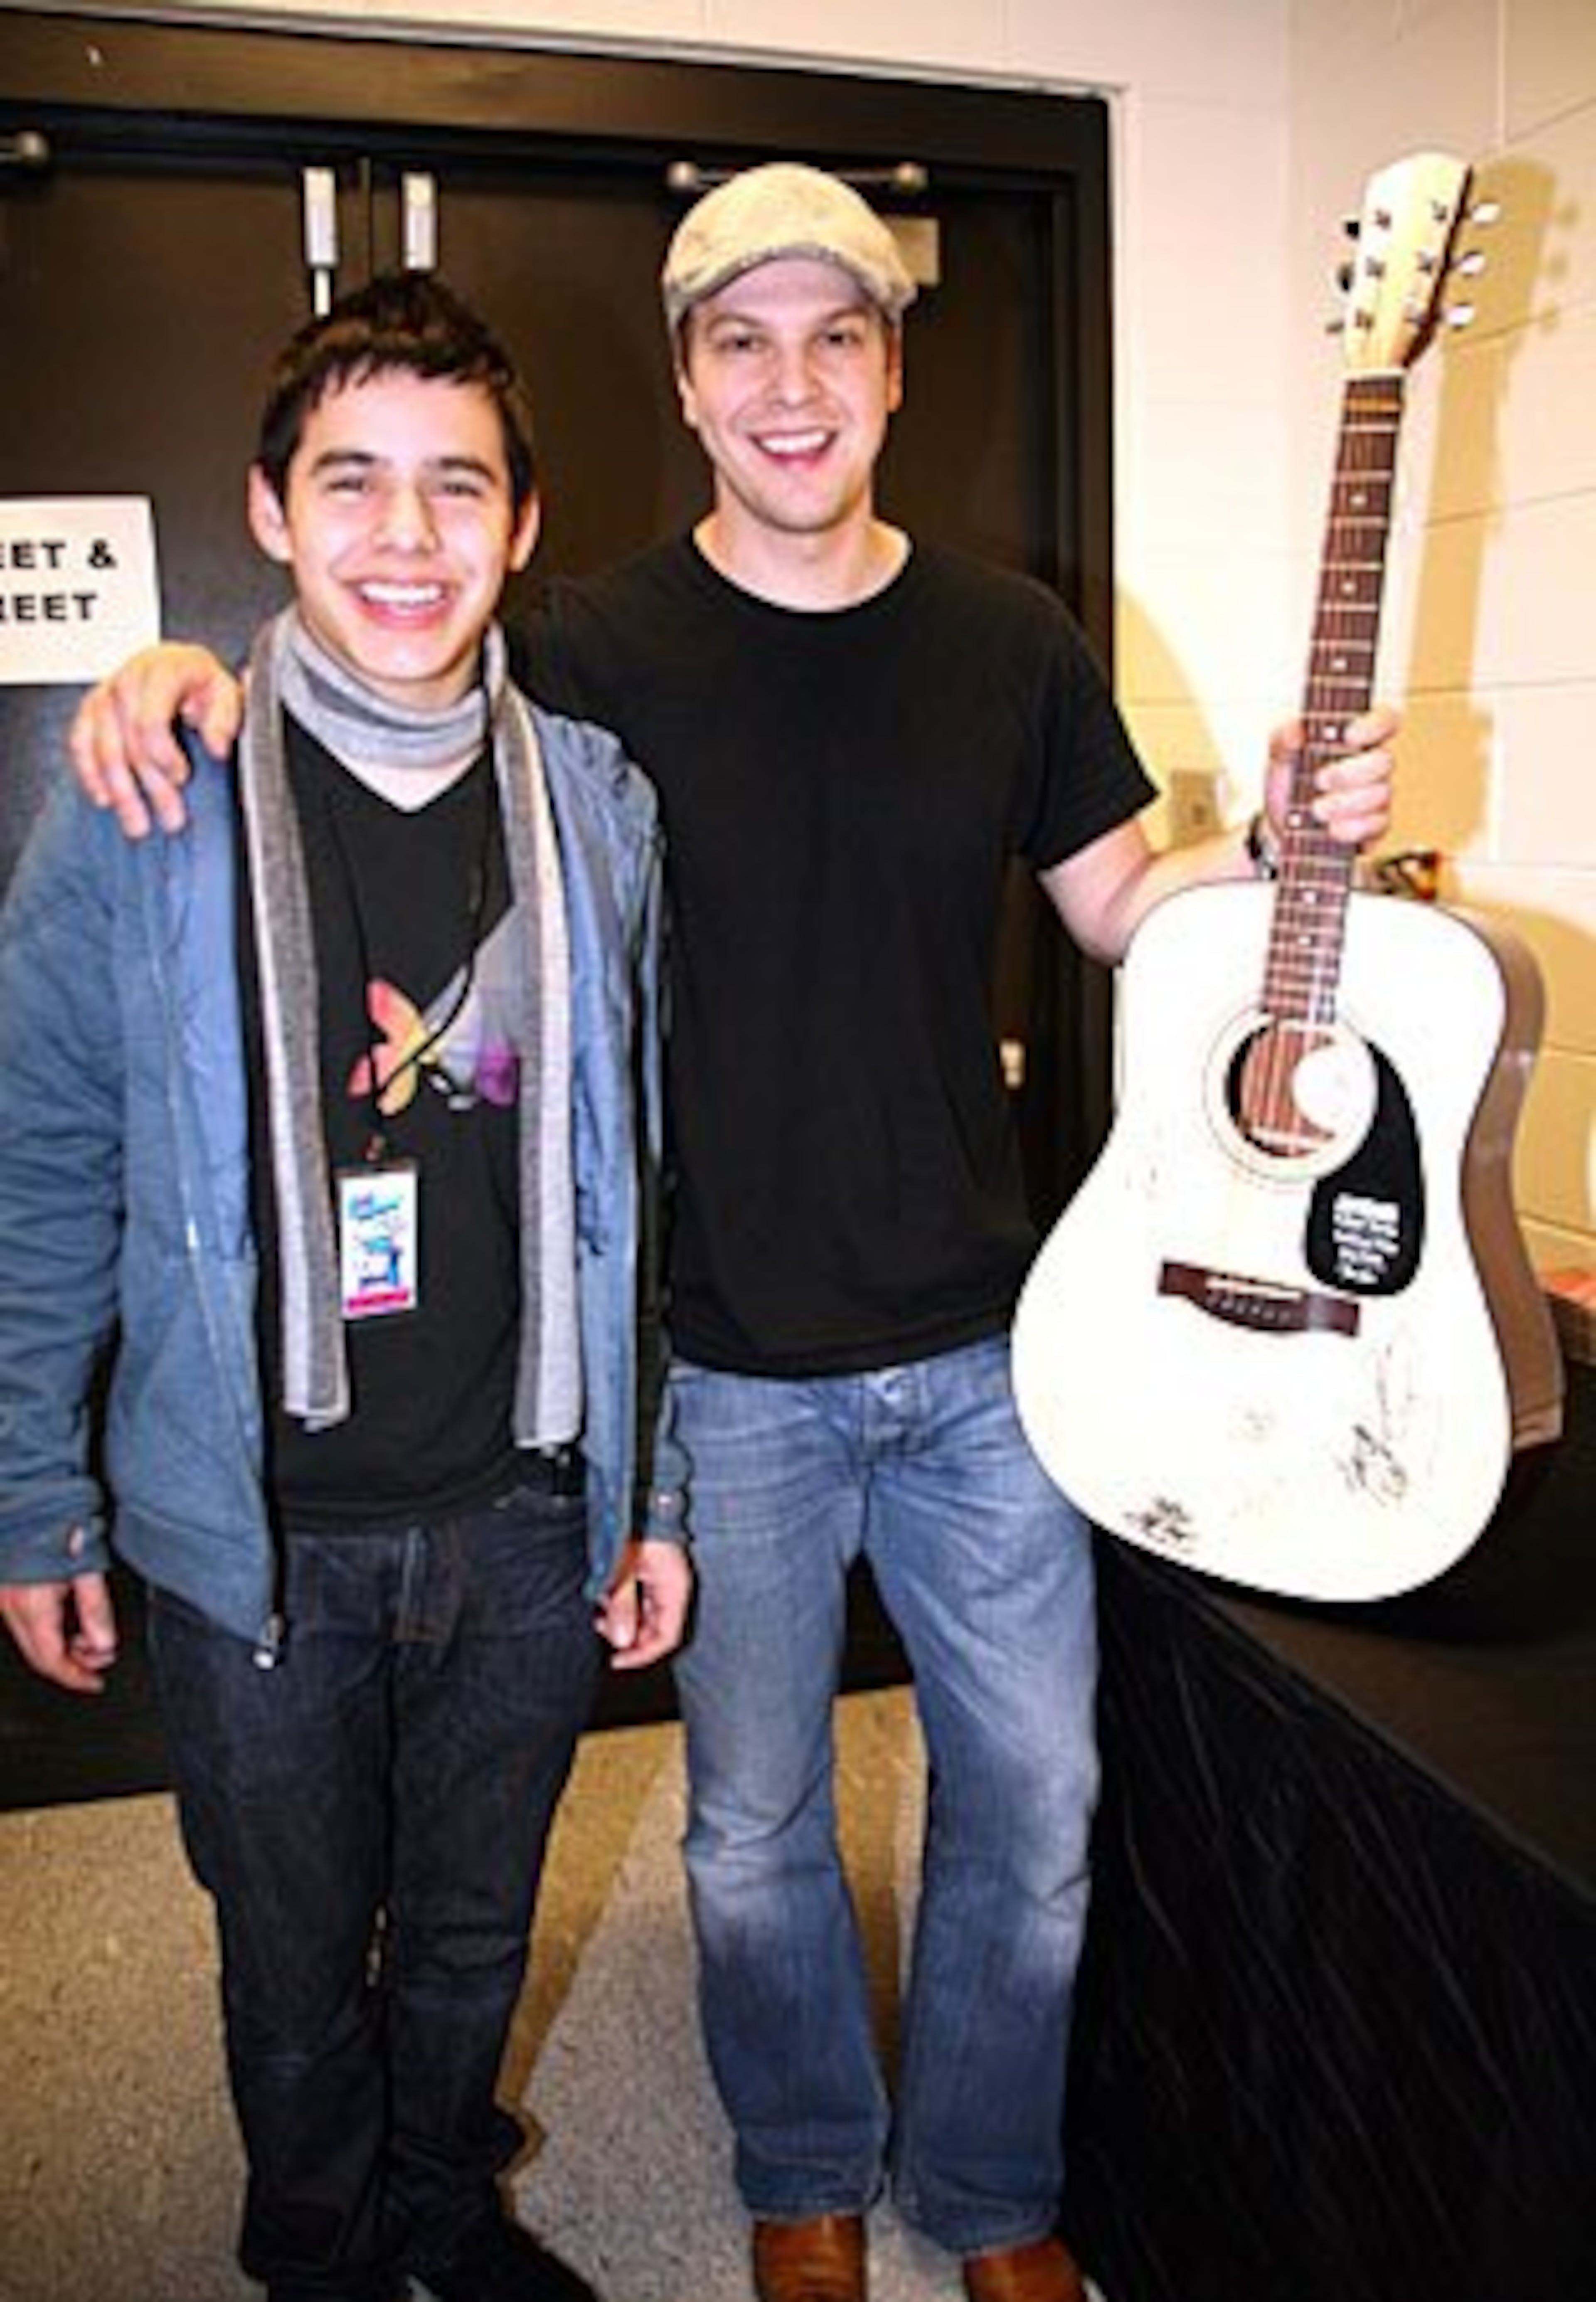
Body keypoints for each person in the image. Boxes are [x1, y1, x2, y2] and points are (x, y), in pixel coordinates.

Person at [67, 165, 1397, 2302]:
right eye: (743, 342)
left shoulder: (1014, 642)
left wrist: (1293, 834)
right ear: (688, 385)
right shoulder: (579, 644)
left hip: (999, 1353)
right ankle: (797, 2169)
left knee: (1034, 1817)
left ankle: (993, 2192)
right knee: (758, 1832)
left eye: (839, 338)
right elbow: (350, 653)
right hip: (729, 1369)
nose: (795, 386)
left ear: (891, 371)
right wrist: (162, 672)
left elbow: (1145, 922)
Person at [0, 270, 692, 2302]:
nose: (407, 536)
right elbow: (39, 1161)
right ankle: (315, 2248)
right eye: (354, 483)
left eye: (457, 487)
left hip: (519, 1500)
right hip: (262, 1536)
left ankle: (439, 2216)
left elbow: (629, 1175)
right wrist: (29, 1479)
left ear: (526, 521)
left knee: (476, 1935)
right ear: (273, 510)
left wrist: (641, 1487)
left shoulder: (597, 806)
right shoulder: (147, 798)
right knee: (294, 1964)